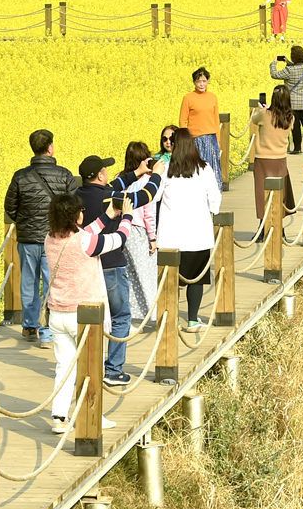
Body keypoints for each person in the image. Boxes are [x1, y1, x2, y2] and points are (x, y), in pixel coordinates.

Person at [44, 186, 137, 433]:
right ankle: (92, 413)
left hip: (58, 314)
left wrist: (108, 215)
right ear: (76, 216)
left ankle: (59, 416)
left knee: (64, 366)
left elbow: (84, 234)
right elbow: (118, 239)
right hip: (84, 316)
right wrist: (126, 217)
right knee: (91, 367)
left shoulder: (50, 238)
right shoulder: (84, 241)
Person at [4, 129, 79, 349]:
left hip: (27, 239)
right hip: (54, 237)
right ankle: (47, 333)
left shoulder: (20, 176)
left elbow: (10, 206)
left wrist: (25, 222)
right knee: (51, 284)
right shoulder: (64, 175)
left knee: (28, 281)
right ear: (50, 148)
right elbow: (74, 205)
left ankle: (29, 325)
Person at [75, 155, 139, 386]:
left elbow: (114, 186)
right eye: (105, 171)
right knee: (120, 316)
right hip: (111, 263)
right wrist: (158, 174)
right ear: (101, 175)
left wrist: (136, 173)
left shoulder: (77, 196)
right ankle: (113, 371)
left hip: (86, 266)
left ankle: (89, 369)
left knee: (91, 319)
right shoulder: (110, 198)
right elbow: (144, 196)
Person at [154, 130, 222, 333]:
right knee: (196, 280)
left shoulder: (165, 169)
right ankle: (192, 320)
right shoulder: (205, 169)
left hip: (170, 238)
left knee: (170, 282)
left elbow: (154, 196)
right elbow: (215, 200)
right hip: (197, 236)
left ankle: (169, 319)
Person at [110, 142, 161, 328]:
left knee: (127, 275)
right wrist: (153, 238)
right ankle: (152, 315)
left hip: (121, 230)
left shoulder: (119, 179)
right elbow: (149, 213)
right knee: (146, 274)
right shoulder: (147, 182)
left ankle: (129, 314)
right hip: (139, 231)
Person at [249, 86, 297, 234]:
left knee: (261, 194)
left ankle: (262, 228)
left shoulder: (264, 114)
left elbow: (254, 119)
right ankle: (279, 228)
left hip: (263, 159)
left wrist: (262, 109)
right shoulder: (291, 118)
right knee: (279, 194)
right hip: (280, 159)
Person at [270, 46, 303, 154]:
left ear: (293, 57)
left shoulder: (289, 70)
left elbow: (274, 75)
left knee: (295, 126)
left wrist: (273, 63)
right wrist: (288, 62)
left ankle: (297, 148)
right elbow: (297, 69)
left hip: (294, 103)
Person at [179, 67, 222, 187]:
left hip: (211, 138)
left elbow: (215, 120)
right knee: (197, 170)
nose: (201, 84)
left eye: (204, 81)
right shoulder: (188, 98)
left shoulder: (212, 97)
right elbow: (183, 120)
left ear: (208, 81)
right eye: (198, 81)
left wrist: (218, 140)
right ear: (194, 82)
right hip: (195, 139)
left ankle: (215, 195)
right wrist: (185, 141)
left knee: (213, 169)